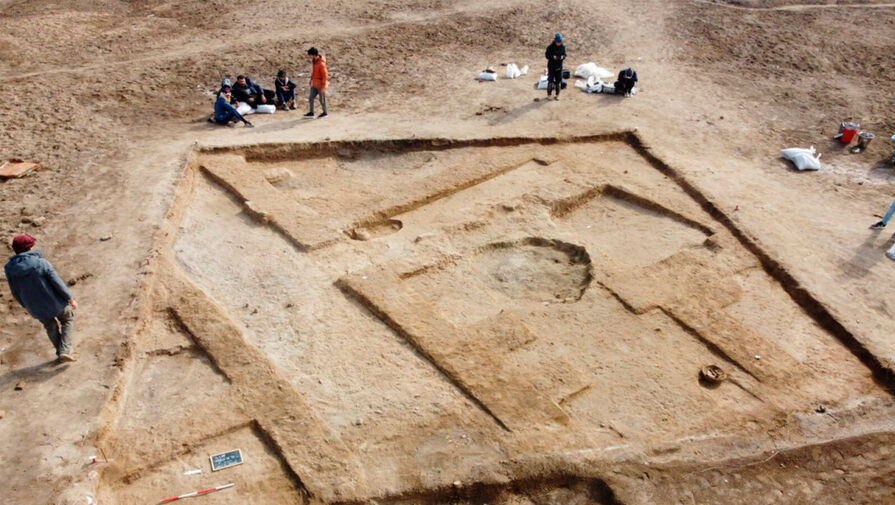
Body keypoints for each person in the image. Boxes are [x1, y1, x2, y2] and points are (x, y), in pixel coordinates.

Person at [4, 235, 79, 363]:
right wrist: (70, 298)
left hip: (34, 306)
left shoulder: (9, 269)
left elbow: (15, 291)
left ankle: (60, 351)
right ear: (30, 247)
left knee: (50, 327)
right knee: (67, 319)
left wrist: (25, 305)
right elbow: (57, 282)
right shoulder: (41, 263)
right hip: (55, 302)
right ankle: (65, 351)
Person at [304, 47, 328, 119]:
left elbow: (325, 76)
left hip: (320, 84)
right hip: (315, 83)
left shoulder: (321, 64)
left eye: (310, 55)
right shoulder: (314, 61)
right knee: (311, 97)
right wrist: (311, 79)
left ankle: (325, 112)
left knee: (322, 99)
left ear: (314, 55)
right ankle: (311, 112)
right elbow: (314, 72)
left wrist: (324, 86)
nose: (310, 57)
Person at [545, 32, 566, 101]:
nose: (559, 43)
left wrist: (562, 57)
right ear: (555, 41)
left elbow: (565, 55)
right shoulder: (550, 47)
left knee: (558, 82)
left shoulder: (562, 47)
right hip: (551, 67)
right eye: (558, 42)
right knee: (550, 81)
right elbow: (547, 56)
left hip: (559, 67)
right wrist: (552, 57)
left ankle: (557, 95)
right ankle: (549, 95)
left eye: (560, 41)